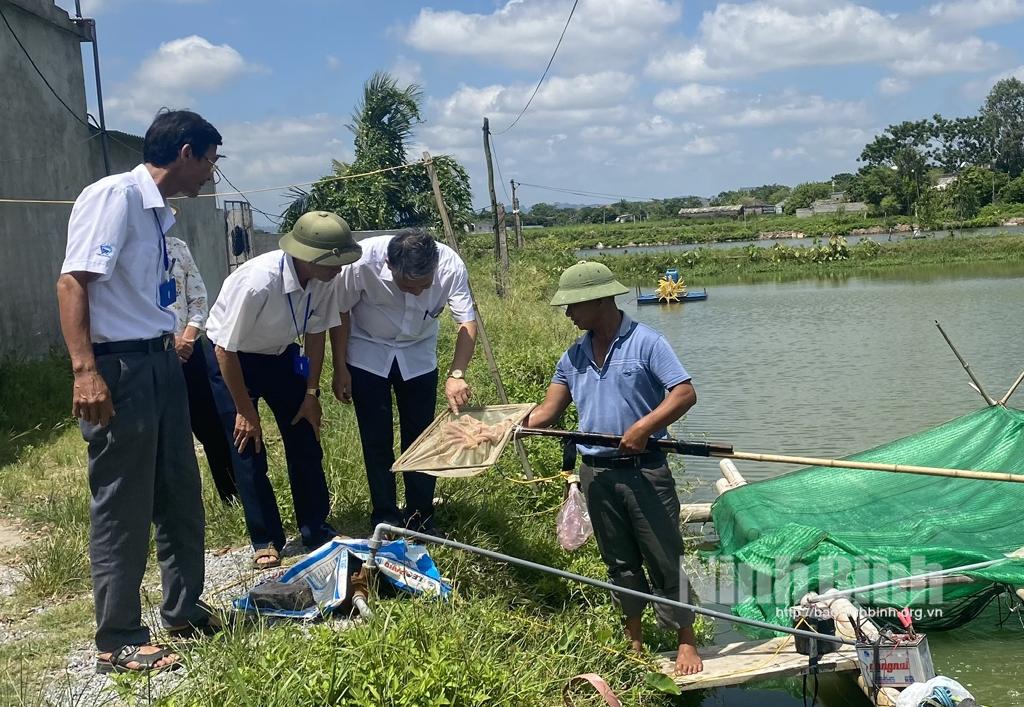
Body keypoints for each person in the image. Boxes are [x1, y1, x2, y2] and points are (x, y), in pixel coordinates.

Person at [56, 109, 223, 674]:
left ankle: (181, 608)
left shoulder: (158, 216)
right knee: (123, 503)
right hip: (120, 367)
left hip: (160, 359)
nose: (211, 173)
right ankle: (119, 637)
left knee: (179, 489)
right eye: (210, 160)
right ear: (185, 152)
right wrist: (85, 370)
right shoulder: (115, 197)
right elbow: (73, 281)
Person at [525, 261, 703, 676]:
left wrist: (643, 427)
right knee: (619, 561)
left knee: (664, 555)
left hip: (645, 470)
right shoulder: (573, 356)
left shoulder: (647, 342)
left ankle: (686, 640)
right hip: (597, 473)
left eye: (574, 305)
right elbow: (548, 412)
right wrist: (505, 427)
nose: (568, 313)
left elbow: (684, 393)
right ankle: (634, 640)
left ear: (602, 300)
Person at [205, 210, 361, 569]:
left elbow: (315, 334)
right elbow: (224, 350)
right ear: (308, 257)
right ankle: (265, 538)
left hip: (282, 355)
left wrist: (311, 394)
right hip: (233, 359)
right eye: (333, 262)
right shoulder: (258, 282)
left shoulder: (325, 281)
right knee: (247, 445)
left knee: (305, 433)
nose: (340, 269)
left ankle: (315, 526)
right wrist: (245, 411)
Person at [329, 229, 476, 534]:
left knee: (422, 436)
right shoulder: (361, 262)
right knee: (376, 437)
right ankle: (384, 514)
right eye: (408, 287)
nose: (418, 294)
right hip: (368, 351)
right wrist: (340, 366)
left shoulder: (450, 266)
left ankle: (420, 515)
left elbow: (466, 322)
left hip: (419, 354)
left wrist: (457, 374)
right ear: (389, 265)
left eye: (424, 287)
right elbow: (341, 311)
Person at [165, 235, 240, 503]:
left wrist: (187, 337)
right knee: (168, 436)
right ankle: (178, 504)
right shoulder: (129, 249)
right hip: (152, 352)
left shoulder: (178, 247)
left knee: (213, 426)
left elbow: (197, 296)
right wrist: (166, 338)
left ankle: (231, 495)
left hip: (191, 348)